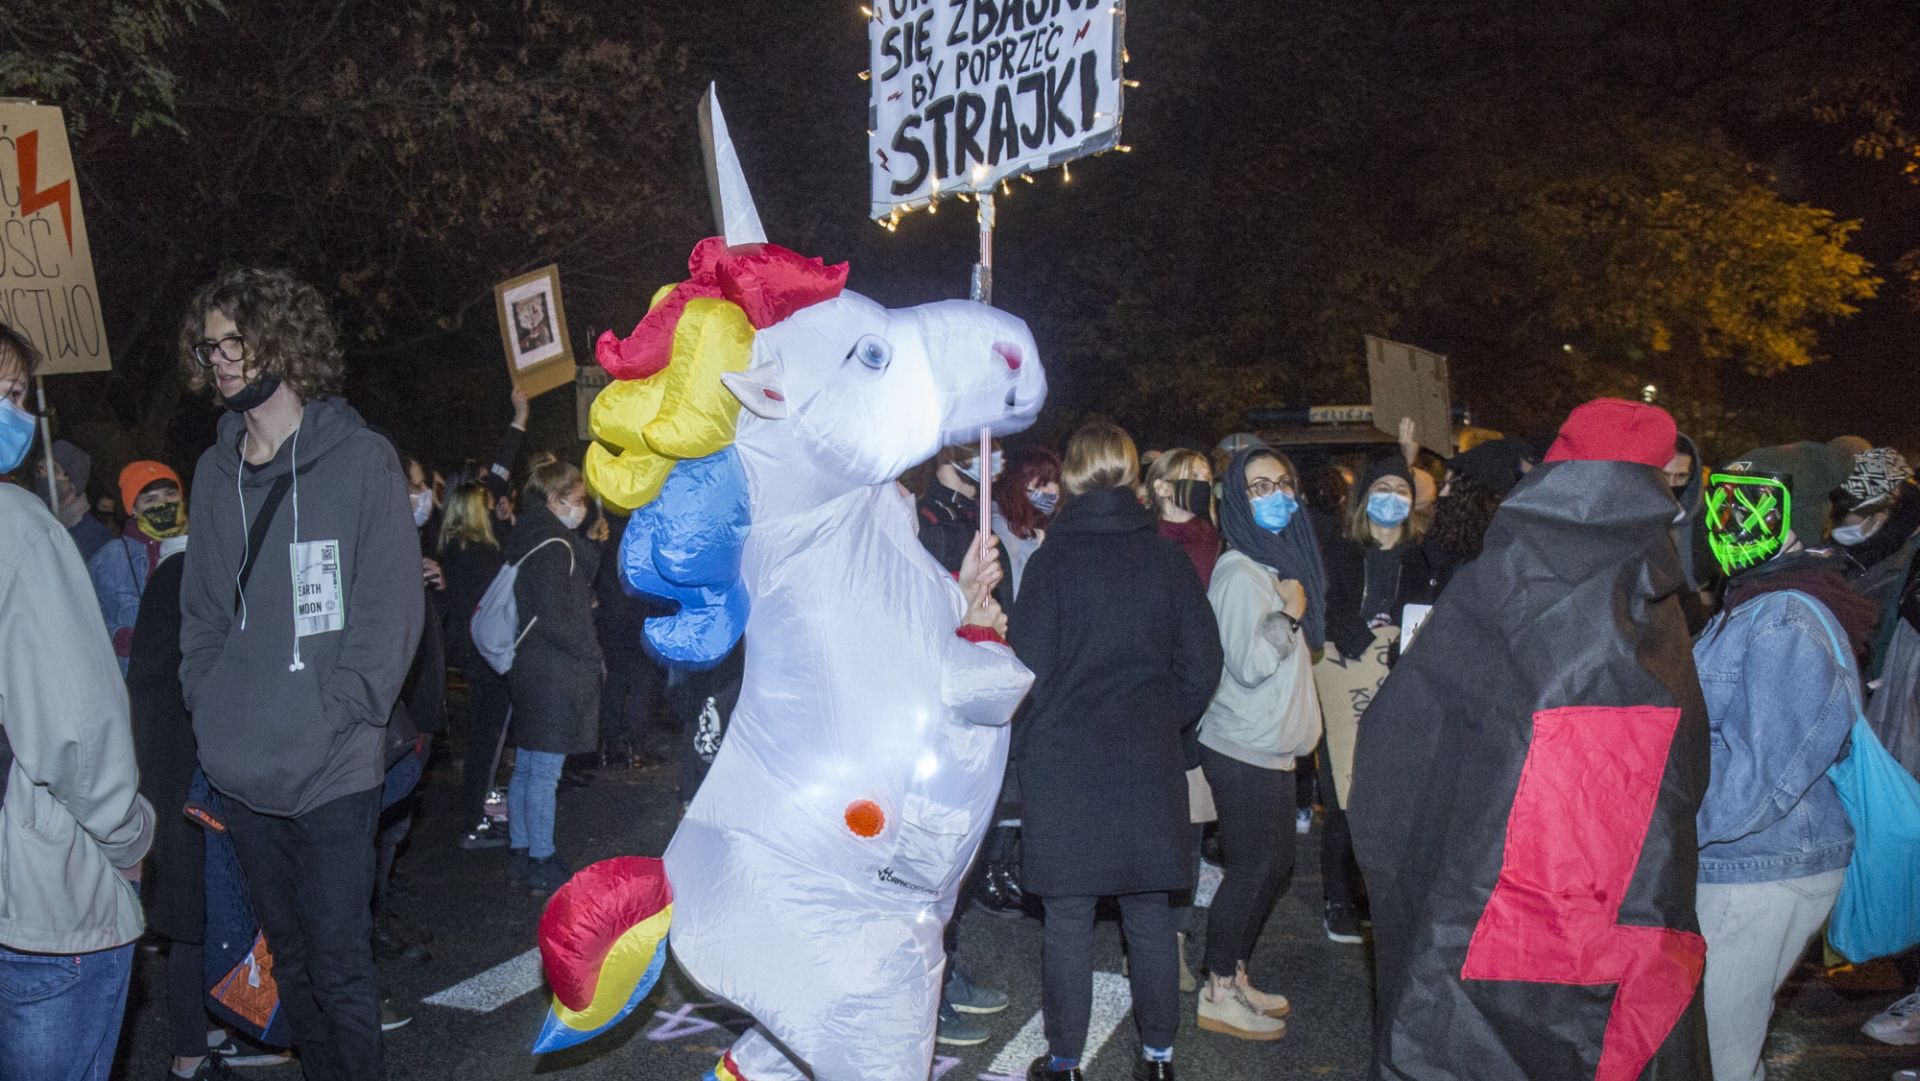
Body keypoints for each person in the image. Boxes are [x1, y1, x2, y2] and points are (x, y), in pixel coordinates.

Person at [1351, 398, 1712, 1081]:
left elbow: (1406, 736)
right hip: (1616, 919)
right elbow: (1685, 769)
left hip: (1482, 904)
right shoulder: (1660, 600)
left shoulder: (1501, 575)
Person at [176, 267, 424, 1081]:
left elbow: (391, 614)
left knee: (342, 966)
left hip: (334, 767)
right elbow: (203, 619)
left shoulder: (360, 459)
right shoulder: (214, 476)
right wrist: (213, 719)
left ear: (282, 339)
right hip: (243, 771)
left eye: (233, 341)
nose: (218, 359)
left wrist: (340, 714)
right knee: (294, 966)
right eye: (208, 346)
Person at [1011, 421, 1224, 1081]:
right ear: (1134, 476)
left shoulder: (1050, 563)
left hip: (1066, 767)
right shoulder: (1164, 559)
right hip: (1145, 762)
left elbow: (1024, 670)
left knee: (1068, 920)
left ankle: (1066, 1063)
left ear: (1072, 477)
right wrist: (1164, 718)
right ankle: (1158, 1059)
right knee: (1149, 915)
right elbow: (1203, 661)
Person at [0, 323, 157, 1081]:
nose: (17, 414)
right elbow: (76, 731)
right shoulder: (21, 531)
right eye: (1, 393)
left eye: (20, 395)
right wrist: (128, 839)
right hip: (40, 898)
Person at [1696, 442, 1879, 1081]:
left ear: (1790, 517)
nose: (1729, 524)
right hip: (1747, 863)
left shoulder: (1785, 617)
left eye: (1750, 508)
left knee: (1717, 1056)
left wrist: (1658, 824)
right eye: (1723, 506)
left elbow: (1756, 781)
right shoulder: (1754, 602)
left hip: (1759, 869)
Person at [1193, 447, 1325, 1041]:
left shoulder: (1270, 567)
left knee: (1275, 867)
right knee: (1252, 870)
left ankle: (1234, 972)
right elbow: (1247, 664)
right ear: (1237, 503)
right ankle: (1217, 989)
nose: (1277, 496)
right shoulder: (1239, 572)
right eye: (1259, 487)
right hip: (1241, 746)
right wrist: (1289, 615)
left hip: (1270, 746)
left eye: (1282, 483)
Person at [1312, 455, 1419, 944]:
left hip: (1399, 685)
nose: (1392, 498)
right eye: (1383, 488)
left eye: (1402, 489)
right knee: (1344, 794)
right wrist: (1350, 632)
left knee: (1391, 796)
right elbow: (1324, 604)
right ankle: (1338, 898)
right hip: (1345, 679)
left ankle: (1377, 892)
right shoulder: (1339, 550)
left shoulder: (1422, 557)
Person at [502, 456, 602, 896]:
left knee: (527, 767)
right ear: (555, 499)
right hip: (552, 673)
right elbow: (556, 618)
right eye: (578, 500)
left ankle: (521, 848)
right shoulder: (554, 546)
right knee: (543, 773)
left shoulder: (530, 535)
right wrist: (591, 653)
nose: (583, 508)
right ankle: (541, 858)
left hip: (530, 666)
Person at [439, 482, 513, 848]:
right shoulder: (484, 555)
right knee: (488, 740)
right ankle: (477, 819)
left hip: (466, 652)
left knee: (483, 737)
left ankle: (482, 808)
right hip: (488, 654)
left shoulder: (450, 551)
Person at [88, 461, 189, 675]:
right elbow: (94, 624)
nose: (163, 504)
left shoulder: (200, 547)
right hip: (143, 676)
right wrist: (127, 639)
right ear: (133, 509)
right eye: (150, 499)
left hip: (189, 672)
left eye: (170, 494)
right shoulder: (115, 557)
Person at [991, 446, 1061, 600]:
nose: (1054, 490)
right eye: (1043, 484)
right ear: (1018, 485)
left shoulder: (1044, 525)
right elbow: (1017, 591)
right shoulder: (1002, 528)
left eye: (1055, 481)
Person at [1147, 448, 1219, 587]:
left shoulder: (1210, 536)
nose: (1204, 485)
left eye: (1208, 479)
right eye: (1194, 476)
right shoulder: (1147, 541)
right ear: (1162, 487)